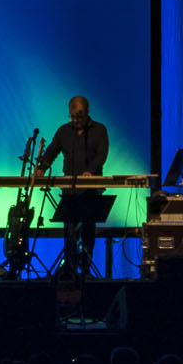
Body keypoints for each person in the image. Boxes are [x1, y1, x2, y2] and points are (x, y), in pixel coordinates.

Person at [37, 96, 109, 275]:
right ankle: (69, 270)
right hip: (70, 192)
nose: (75, 121)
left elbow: (101, 155)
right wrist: (42, 168)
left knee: (87, 230)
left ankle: (85, 269)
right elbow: (52, 151)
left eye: (79, 117)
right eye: (72, 117)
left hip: (90, 191)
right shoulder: (63, 131)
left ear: (87, 113)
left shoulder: (99, 130)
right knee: (69, 231)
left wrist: (90, 172)